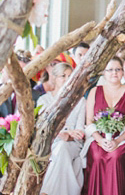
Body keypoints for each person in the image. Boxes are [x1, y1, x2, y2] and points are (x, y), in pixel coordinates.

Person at [83, 56, 125, 195]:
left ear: (123, 70)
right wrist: (100, 140)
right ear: (104, 72)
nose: (114, 73)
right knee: (96, 155)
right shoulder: (95, 91)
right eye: (110, 70)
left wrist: (117, 141)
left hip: (122, 138)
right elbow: (89, 121)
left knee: (115, 156)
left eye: (118, 69)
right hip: (98, 138)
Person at [36, 62, 85, 195]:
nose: (67, 79)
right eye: (63, 76)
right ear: (55, 78)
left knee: (63, 147)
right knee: (60, 148)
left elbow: (80, 129)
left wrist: (70, 135)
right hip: (50, 143)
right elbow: (42, 128)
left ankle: (46, 192)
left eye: (70, 76)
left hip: (73, 144)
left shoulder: (80, 101)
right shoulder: (43, 100)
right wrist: (61, 134)